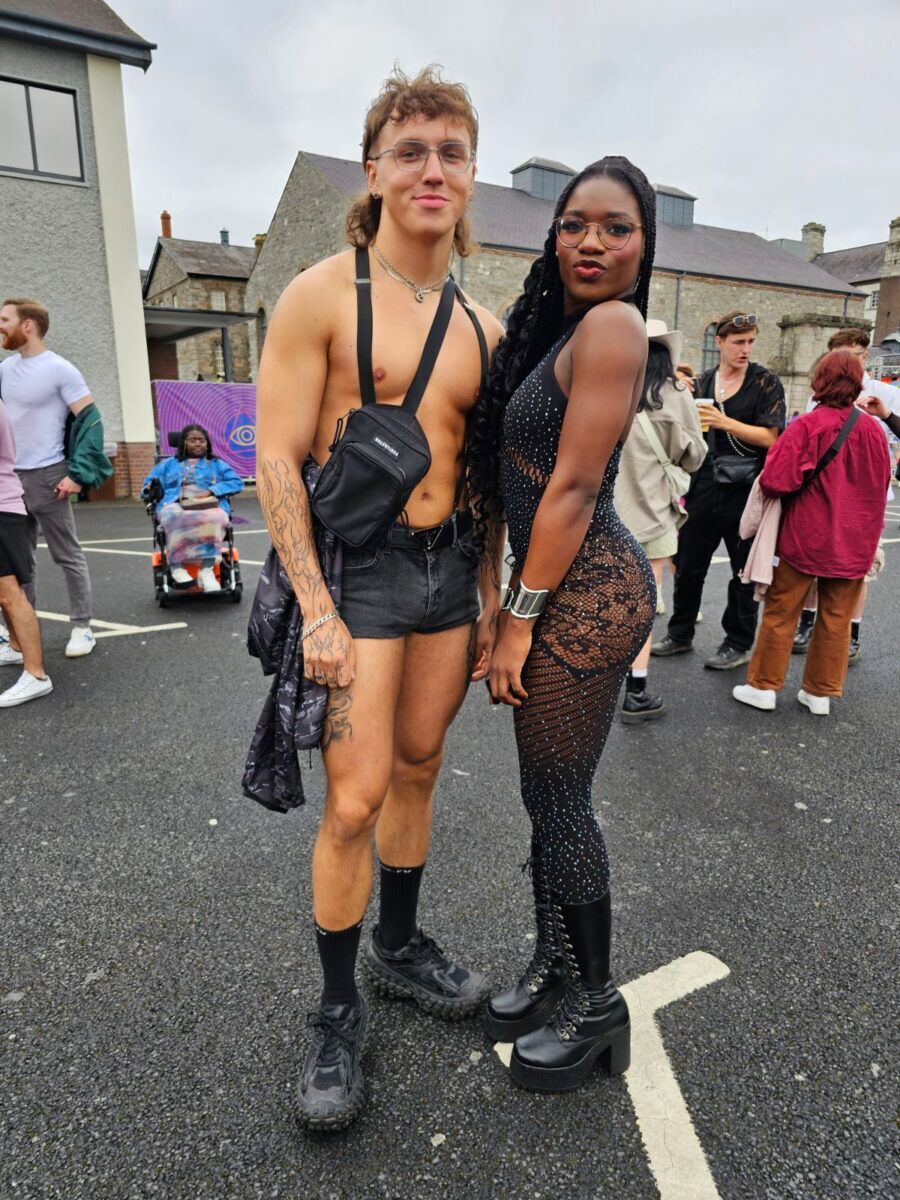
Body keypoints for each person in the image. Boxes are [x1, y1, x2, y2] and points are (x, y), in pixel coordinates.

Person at [252, 67, 503, 1130]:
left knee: (418, 768)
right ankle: (337, 1008)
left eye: (450, 151)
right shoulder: (320, 292)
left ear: (471, 170)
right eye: (412, 150)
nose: (432, 169)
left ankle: (399, 948)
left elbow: (485, 478)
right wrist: (312, 603)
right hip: (357, 578)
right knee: (351, 799)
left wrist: (491, 599)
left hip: (450, 575)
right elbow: (272, 456)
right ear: (375, 170)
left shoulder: (485, 324)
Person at [469, 155, 657, 1092]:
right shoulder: (566, 332)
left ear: (642, 242)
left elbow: (576, 485)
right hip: (562, 591)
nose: (590, 241)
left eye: (615, 227)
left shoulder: (618, 326)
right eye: (575, 222)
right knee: (546, 798)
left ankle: (596, 1006)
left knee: (562, 803)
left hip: (585, 599)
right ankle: (553, 964)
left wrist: (515, 620)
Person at [733, 351, 890, 717]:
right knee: (837, 617)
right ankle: (820, 693)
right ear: (858, 382)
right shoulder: (872, 431)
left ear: (818, 380)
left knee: (781, 611)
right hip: (856, 539)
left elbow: (776, 481)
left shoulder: (807, 426)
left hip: (805, 534)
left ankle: (764, 687)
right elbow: (882, 484)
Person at [652, 312, 786, 669]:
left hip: (745, 490)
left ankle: (737, 642)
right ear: (720, 342)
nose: (746, 349)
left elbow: (771, 437)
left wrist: (725, 422)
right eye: (739, 342)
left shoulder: (765, 383)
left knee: (742, 571)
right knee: (689, 565)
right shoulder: (705, 381)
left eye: (750, 342)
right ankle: (680, 634)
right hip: (703, 485)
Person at [0, 298, 109, 659]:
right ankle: (18, 640)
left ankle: (82, 627)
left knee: (68, 555)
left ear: (27, 324)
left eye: (5, 319)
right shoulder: (4, 370)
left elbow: (91, 422)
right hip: (10, 481)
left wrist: (77, 475)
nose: (0, 326)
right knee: (17, 562)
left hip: (50, 476)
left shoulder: (61, 370)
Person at [614, 322, 706, 722]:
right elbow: (694, 455)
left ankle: (591, 683)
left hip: (603, 517)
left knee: (602, 602)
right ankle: (636, 690)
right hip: (653, 516)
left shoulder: (607, 386)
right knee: (643, 605)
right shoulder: (676, 393)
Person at [793, 328, 899, 661]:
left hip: (867, 500)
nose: (843, 364)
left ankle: (851, 633)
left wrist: (886, 420)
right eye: (836, 357)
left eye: (851, 356)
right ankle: (807, 624)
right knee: (812, 563)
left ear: (865, 357)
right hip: (823, 493)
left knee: (859, 568)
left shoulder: (885, 393)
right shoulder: (818, 394)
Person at [142, 424, 243, 592]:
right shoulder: (167, 465)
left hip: (209, 505)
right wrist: (151, 489)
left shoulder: (217, 464)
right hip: (176, 505)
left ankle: (207, 570)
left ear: (207, 443)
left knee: (217, 516)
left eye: (202, 440)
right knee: (171, 515)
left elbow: (236, 482)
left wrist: (211, 490)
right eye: (193, 440)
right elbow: (146, 486)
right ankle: (177, 568)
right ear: (183, 443)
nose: (198, 444)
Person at [0, 395, 52, 706]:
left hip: (2, 509)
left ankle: (36, 675)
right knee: (4, 591)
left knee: (9, 592)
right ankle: (16, 647)